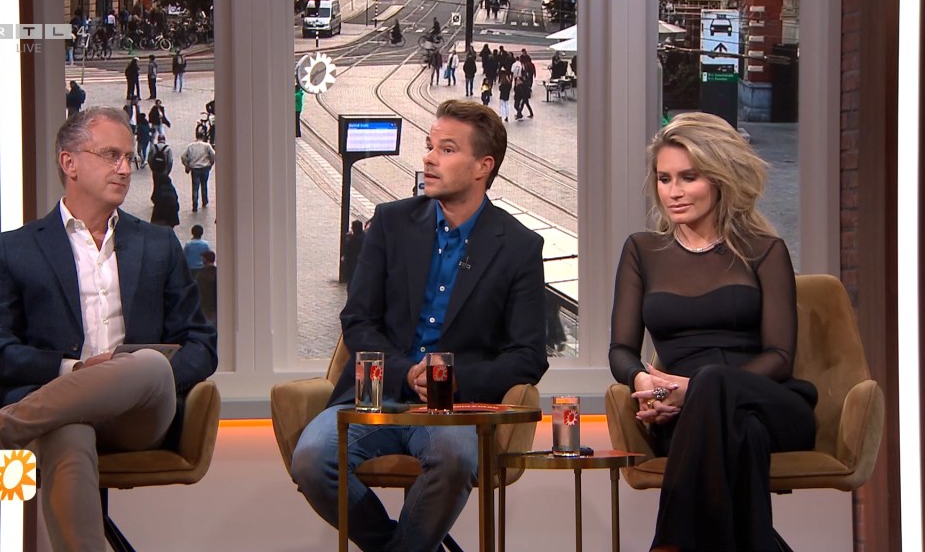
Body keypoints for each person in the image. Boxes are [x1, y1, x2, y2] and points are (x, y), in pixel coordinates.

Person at [0, 107, 216, 550]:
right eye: (110, 155)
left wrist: (145, 371)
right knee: (67, 429)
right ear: (69, 163)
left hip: (141, 413)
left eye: (128, 157)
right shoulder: (15, 249)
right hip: (52, 414)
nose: (126, 168)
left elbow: (201, 344)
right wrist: (74, 371)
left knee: (145, 363)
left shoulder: (159, 244)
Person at [291, 100, 547, 552]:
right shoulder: (391, 223)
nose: (428, 158)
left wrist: (452, 379)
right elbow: (358, 320)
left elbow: (528, 356)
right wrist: (407, 372)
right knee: (312, 458)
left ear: (483, 166)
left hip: (455, 409)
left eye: (446, 149)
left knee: (455, 456)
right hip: (380, 395)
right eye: (429, 146)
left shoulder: (519, 246)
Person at [608, 112, 816, 551]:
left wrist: (696, 388)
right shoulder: (643, 250)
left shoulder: (764, 250)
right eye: (664, 179)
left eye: (689, 177)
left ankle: (668, 543)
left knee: (716, 382)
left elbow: (780, 356)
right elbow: (621, 349)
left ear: (720, 178)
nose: (674, 192)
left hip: (769, 401)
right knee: (745, 436)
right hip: (686, 416)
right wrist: (642, 380)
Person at [181, 134, 216, 212]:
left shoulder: (190, 146)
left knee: (195, 187)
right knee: (204, 185)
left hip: (195, 169)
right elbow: (213, 155)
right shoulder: (207, 146)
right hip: (205, 167)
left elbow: (183, 157)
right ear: (203, 137)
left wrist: (187, 165)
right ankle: (204, 201)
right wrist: (211, 163)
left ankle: (195, 204)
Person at [194, 250, 218, 328]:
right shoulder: (218, 272)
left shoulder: (201, 275)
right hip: (216, 305)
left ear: (205, 260)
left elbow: (198, 290)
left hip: (205, 306)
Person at [339, 220, 364, 284]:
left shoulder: (355, 239)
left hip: (354, 263)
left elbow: (349, 250)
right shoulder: (364, 237)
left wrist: (348, 240)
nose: (352, 229)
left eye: (353, 227)